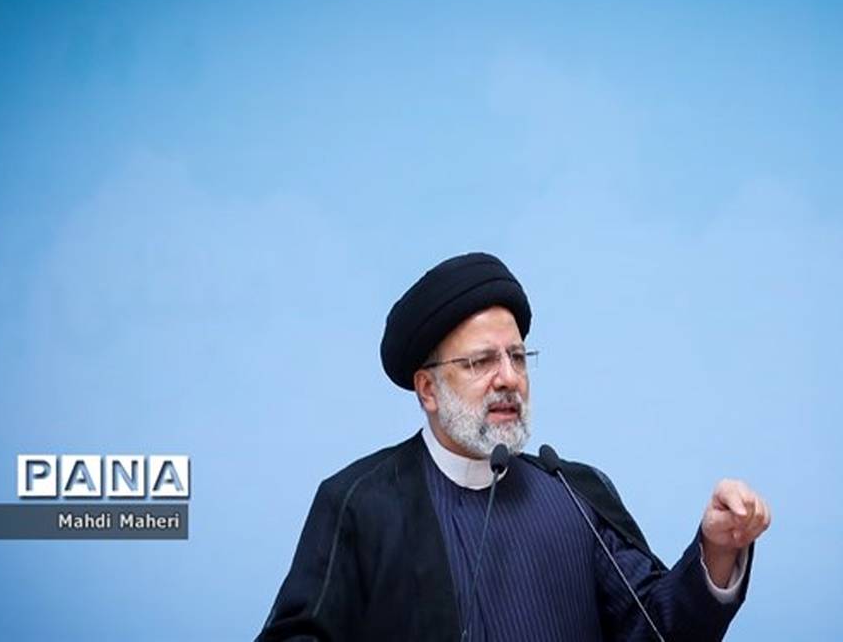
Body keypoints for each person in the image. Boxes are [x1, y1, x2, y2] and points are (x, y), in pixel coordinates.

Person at [258, 252, 771, 642]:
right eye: (481, 362)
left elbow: (657, 629)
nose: (508, 378)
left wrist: (717, 550)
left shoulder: (574, 493)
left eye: (518, 358)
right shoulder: (359, 502)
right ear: (428, 389)